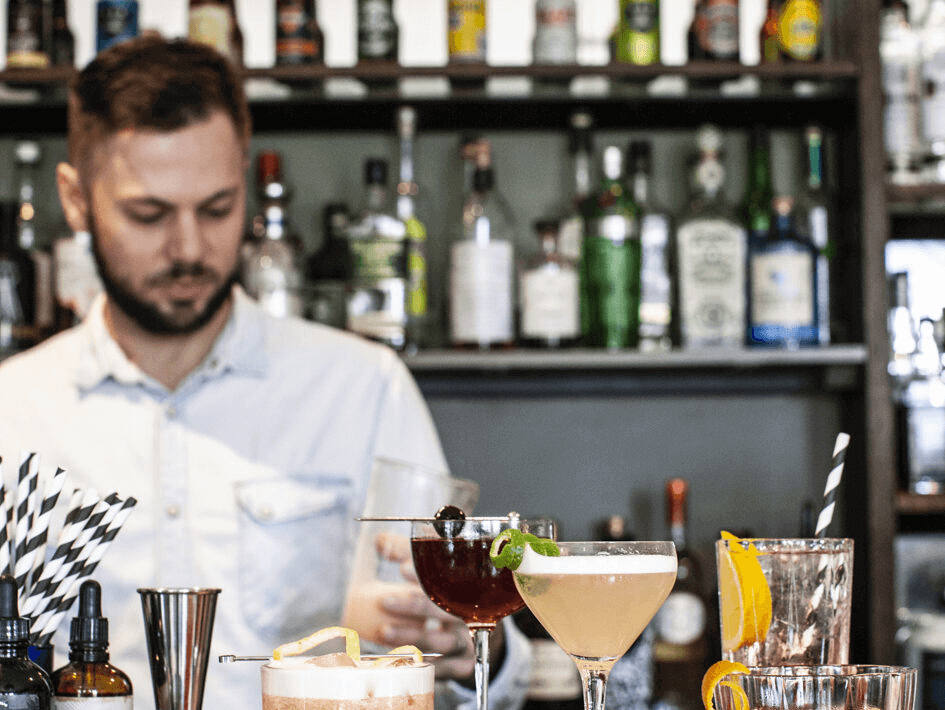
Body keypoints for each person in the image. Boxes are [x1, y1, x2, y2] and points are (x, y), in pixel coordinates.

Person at [0, 36, 531, 710]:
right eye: (149, 214)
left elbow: (474, 676)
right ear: (75, 201)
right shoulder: (11, 413)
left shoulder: (360, 387)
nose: (189, 248)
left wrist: (466, 647)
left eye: (217, 208)